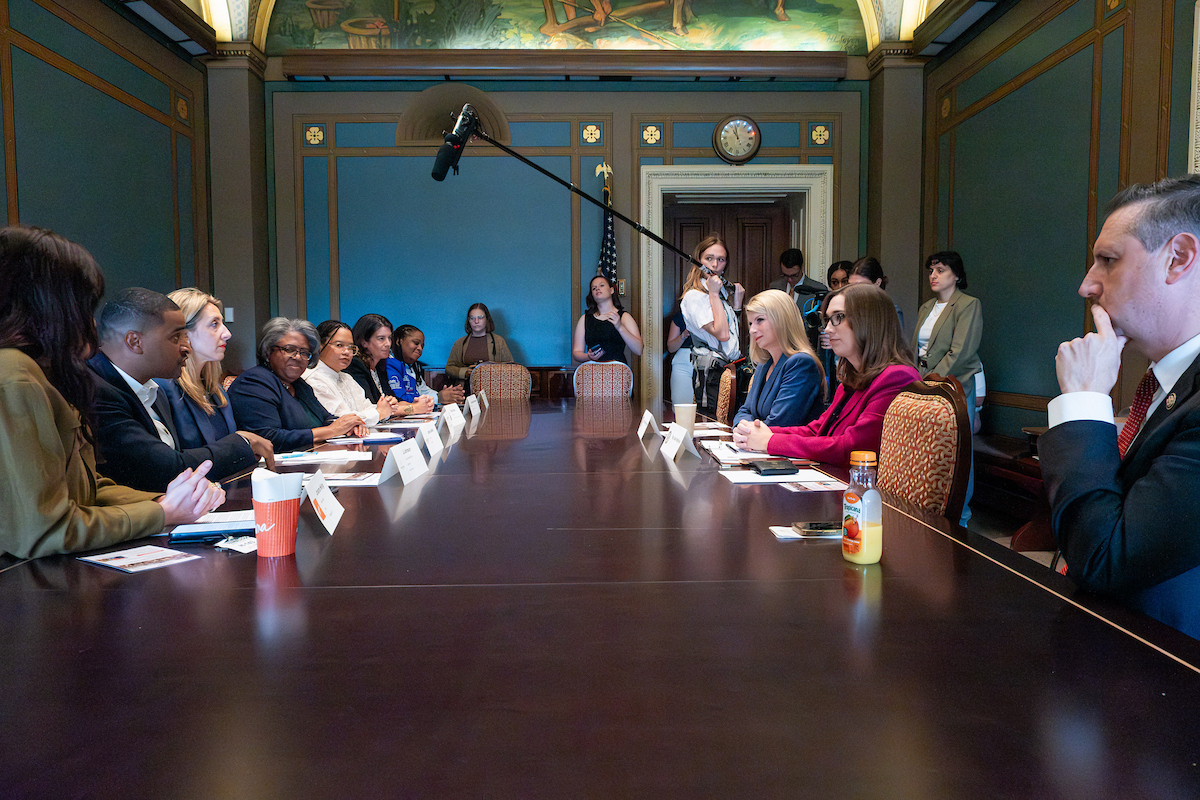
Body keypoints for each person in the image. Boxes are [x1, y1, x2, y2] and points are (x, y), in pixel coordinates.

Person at [0, 226, 222, 559]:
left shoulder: (37, 370)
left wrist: (165, 502)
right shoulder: (16, 375)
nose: (90, 322)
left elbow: (85, 491)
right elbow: (45, 530)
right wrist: (162, 513)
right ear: (48, 303)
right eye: (83, 303)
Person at [1042, 176, 1200, 639]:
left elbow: (1104, 559)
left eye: (1107, 261)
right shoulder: (1165, 385)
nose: (1086, 285)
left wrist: (1083, 403)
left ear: (1178, 258)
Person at [87, 287, 260, 492]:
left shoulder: (152, 391)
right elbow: (166, 469)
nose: (186, 347)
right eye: (176, 338)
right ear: (134, 342)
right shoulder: (95, 391)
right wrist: (242, 442)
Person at [733, 283, 919, 467]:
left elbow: (852, 448)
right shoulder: (853, 378)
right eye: (828, 320)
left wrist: (770, 441)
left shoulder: (897, 377)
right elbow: (819, 429)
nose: (828, 329)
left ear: (869, 321)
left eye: (838, 317)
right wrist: (760, 434)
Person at [158, 288, 275, 471]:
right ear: (183, 333)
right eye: (214, 324)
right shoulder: (161, 389)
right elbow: (173, 464)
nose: (227, 333)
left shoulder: (216, 390)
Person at [912, 251, 983, 525]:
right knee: (929, 448)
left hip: (954, 386)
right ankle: (930, 508)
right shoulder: (926, 307)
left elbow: (961, 351)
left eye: (940, 270)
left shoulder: (968, 304)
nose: (933, 275)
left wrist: (932, 381)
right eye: (931, 270)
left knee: (957, 449)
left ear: (956, 274)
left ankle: (961, 515)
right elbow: (918, 349)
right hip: (923, 385)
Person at [228, 318, 367, 452]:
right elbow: (268, 438)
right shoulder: (254, 382)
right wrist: (331, 431)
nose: (298, 357)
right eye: (289, 349)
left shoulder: (299, 384)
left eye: (305, 352)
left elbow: (326, 418)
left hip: (310, 463)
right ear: (268, 351)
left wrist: (350, 425)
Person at [733, 289, 825, 428]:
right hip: (757, 446)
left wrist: (746, 431)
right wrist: (741, 427)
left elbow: (780, 424)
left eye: (760, 320)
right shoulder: (764, 364)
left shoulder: (801, 363)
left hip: (785, 448)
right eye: (751, 323)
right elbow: (744, 411)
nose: (752, 330)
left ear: (782, 320)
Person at [679, 234, 745, 414]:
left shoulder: (719, 291)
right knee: (713, 430)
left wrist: (737, 306)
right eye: (709, 259)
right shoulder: (695, 297)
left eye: (721, 260)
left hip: (729, 368)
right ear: (698, 260)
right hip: (711, 372)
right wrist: (714, 294)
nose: (715, 265)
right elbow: (721, 333)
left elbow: (730, 335)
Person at [304, 320, 412, 424]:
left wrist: (386, 407)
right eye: (339, 345)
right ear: (319, 346)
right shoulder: (313, 378)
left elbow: (367, 407)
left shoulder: (346, 377)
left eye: (351, 347)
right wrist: (379, 413)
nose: (347, 352)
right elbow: (339, 419)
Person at [572, 274, 643, 365]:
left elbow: (639, 349)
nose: (597, 288)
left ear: (611, 290)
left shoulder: (624, 317)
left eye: (601, 285)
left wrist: (619, 327)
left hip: (618, 372)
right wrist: (588, 357)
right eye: (594, 288)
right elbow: (576, 352)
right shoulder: (585, 318)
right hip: (593, 372)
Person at [389, 325, 465, 407]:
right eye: (416, 343)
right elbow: (401, 399)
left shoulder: (413, 366)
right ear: (398, 341)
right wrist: (438, 397)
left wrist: (448, 395)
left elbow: (423, 391)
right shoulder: (390, 364)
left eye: (422, 346)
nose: (420, 349)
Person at [445, 303, 515, 388]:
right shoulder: (460, 343)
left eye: (480, 317)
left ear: (487, 319)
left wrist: (490, 371)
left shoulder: (498, 341)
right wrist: (465, 372)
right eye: (472, 318)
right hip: (465, 390)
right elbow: (449, 368)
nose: (476, 321)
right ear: (468, 321)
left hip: (493, 390)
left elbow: (511, 367)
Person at [346, 313, 400, 404]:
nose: (388, 344)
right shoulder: (355, 365)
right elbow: (372, 405)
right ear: (364, 342)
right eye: (381, 338)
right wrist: (411, 409)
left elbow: (392, 400)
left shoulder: (379, 365)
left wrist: (416, 404)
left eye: (389, 338)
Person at [848, 256, 905, 332]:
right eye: (850, 285)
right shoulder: (846, 308)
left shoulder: (891, 311)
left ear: (877, 282)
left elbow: (893, 341)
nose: (854, 290)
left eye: (861, 285)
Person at [666, 306, 693, 404]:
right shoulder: (680, 317)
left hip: (708, 360)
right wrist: (683, 335)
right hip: (683, 361)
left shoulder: (711, 314)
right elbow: (671, 347)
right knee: (681, 404)